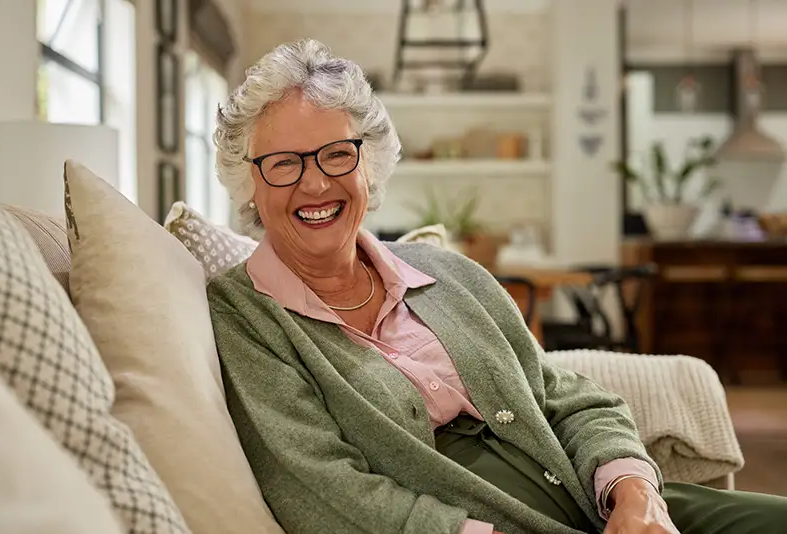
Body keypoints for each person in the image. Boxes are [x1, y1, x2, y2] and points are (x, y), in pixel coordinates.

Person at [207, 39, 787, 534]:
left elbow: (566, 395)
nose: (315, 183)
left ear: (369, 166)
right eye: (284, 163)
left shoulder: (446, 271)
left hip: (601, 503)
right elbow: (319, 488)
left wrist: (635, 492)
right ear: (248, 183)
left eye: (337, 154)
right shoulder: (243, 315)